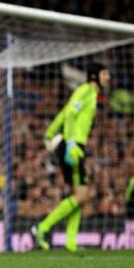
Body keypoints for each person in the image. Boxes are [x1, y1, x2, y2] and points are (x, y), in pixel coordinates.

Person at [32, 63, 110, 252]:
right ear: (94, 76)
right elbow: (70, 115)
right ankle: (42, 228)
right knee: (82, 195)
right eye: (105, 74)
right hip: (72, 146)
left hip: (73, 144)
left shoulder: (90, 93)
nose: (108, 77)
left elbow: (64, 111)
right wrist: (71, 143)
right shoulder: (85, 90)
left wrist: (50, 134)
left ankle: (71, 242)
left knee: (79, 196)